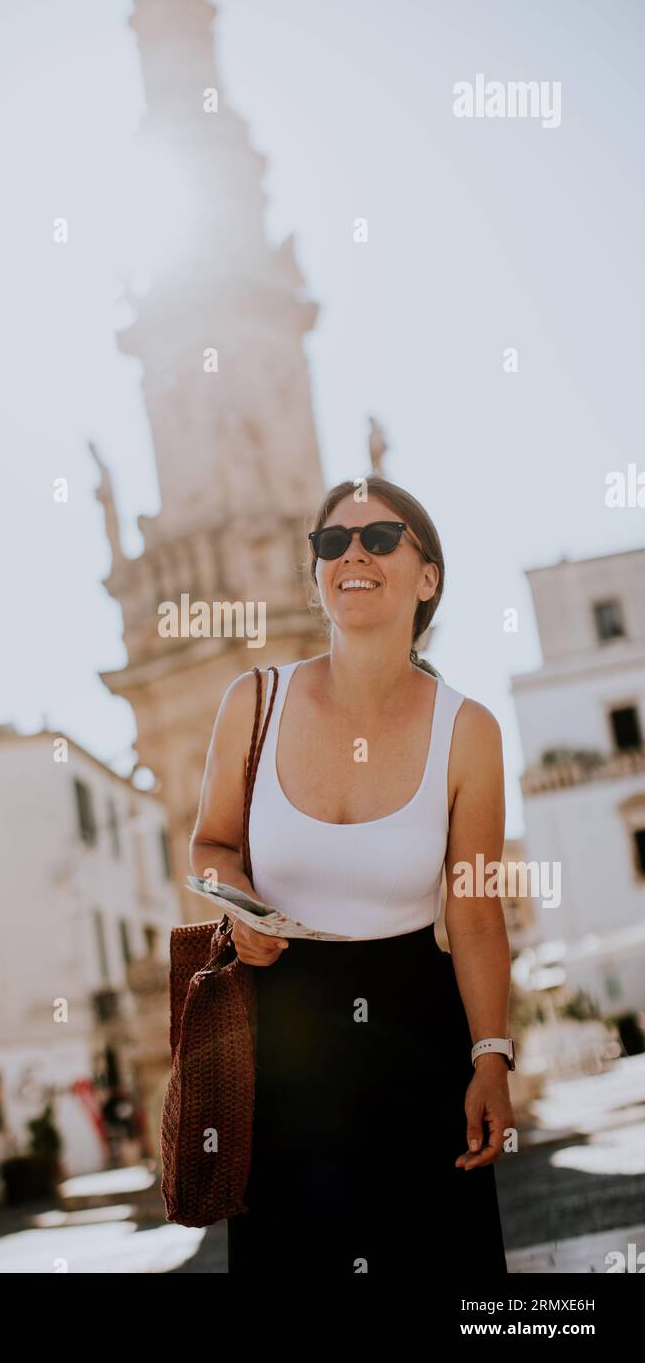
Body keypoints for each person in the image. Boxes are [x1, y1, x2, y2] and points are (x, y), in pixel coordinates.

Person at [190, 475, 512, 1275]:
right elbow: (210, 848)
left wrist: (492, 1057)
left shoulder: (469, 733)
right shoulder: (253, 702)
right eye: (333, 542)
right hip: (279, 1044)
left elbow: (474, 914)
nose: (353, 555)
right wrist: (241, 913)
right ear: (316, 573)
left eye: (379, 538)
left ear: (427, 575)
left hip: (418, 1041)